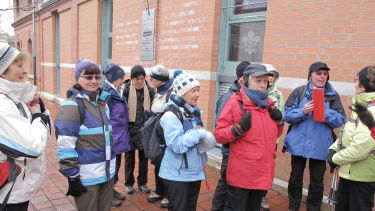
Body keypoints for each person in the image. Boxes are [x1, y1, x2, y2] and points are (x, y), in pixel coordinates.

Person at [214, 64, 284, 211]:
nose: (263, 85)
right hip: (242, 175)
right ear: (246, 81)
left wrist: (279, 122)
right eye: (258, 80)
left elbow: (273, 136)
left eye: (265, 81)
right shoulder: (235, 102)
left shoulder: (269, 105)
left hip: (262, 173)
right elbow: (219, 135)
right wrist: (237, 128)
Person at [283, 62, 346, 211]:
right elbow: (286, 115)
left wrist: (326, 112)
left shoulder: (332, 95)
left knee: (317, 183)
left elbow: (341, 119)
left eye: (325, 74)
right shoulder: (299, 91)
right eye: (319, 73)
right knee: (295, 179)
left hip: (320, 144)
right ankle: (293, 207)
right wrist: (302, 111)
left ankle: (313, 209)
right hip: (298, 144)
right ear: (310, 75)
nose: (322, 76)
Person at [55, 59, 115, 211]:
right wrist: (73, 176)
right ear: (78, 79)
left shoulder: (103, 103)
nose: (94, 81)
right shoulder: (72, 105)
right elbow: (65, 145)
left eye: (97, 77)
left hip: (107, 174)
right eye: (88, 77)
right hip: (87, 178)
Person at [0, 44, 50, 211]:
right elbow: (34, 146)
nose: (25, 71)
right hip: (8, 194)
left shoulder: (14, 98)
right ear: (3, 71)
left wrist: (39, 108)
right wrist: (38, 117)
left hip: (17, 188)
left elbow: (45, 132)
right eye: (19, 66)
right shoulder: (3, 105)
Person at [159, 70, 215, 211]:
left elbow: (194, 139)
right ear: (182, 92)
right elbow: (177, 144)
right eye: (193, 91)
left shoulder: (193, 112)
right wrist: (199, 133)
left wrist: (204, 141)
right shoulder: (171, 115)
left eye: (198, 90)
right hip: (178, 174)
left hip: (193, 171)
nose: (197, 94)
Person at [328, 66, 375, 211]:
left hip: (361, 178)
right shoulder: (361, 106)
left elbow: (360, 149)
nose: (354, 84)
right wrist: (333, 148)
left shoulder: (371, 111)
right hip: (349, 173)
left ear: (363, 85)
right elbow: (347, 134)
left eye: (356, 80)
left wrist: (335, 158)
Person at [211, 61, 249, 211]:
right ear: (241, 79)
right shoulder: (229, 98)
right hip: (230, 152)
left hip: (239, 152)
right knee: (225, 185)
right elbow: (220, 129)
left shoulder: (246, 96)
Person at [102, 63, 131, 207]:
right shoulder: (106, 94)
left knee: (115, 165)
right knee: (110, 166)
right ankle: (108, 196)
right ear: (113, 78)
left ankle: (112, 190)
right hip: (112, 137)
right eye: (121, 77)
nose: (123, 80)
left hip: (119, 136)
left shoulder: (116, 90)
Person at [123, 65, 154, 194]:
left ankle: (142, 183)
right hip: (130, 130)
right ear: (132, 78)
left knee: (143, 159)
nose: (140, 81)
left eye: (142, 78)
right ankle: (129, 183)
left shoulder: (150, 91)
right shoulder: (125, 90)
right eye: (136, 78)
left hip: (144, 130)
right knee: (129, 159)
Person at [146, 64, 173, 208]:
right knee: (157, 162)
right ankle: (159, 191)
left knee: (166, 164)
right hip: (156, 133)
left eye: (152, 77)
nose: (150, 79)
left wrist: (157, 116)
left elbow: (170, 114)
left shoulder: (170, 92)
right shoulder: (159, 90)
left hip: (165, 135)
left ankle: (168, 195)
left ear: (160, 80)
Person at [260, 64, 285, 211]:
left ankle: (263, 195)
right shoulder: (255, 92)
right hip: (257, 137)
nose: (270, 78)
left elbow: (280, 117)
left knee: (267, 168)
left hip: (272, 139)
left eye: (273, 76)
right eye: (268, 75)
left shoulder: (278, 95)